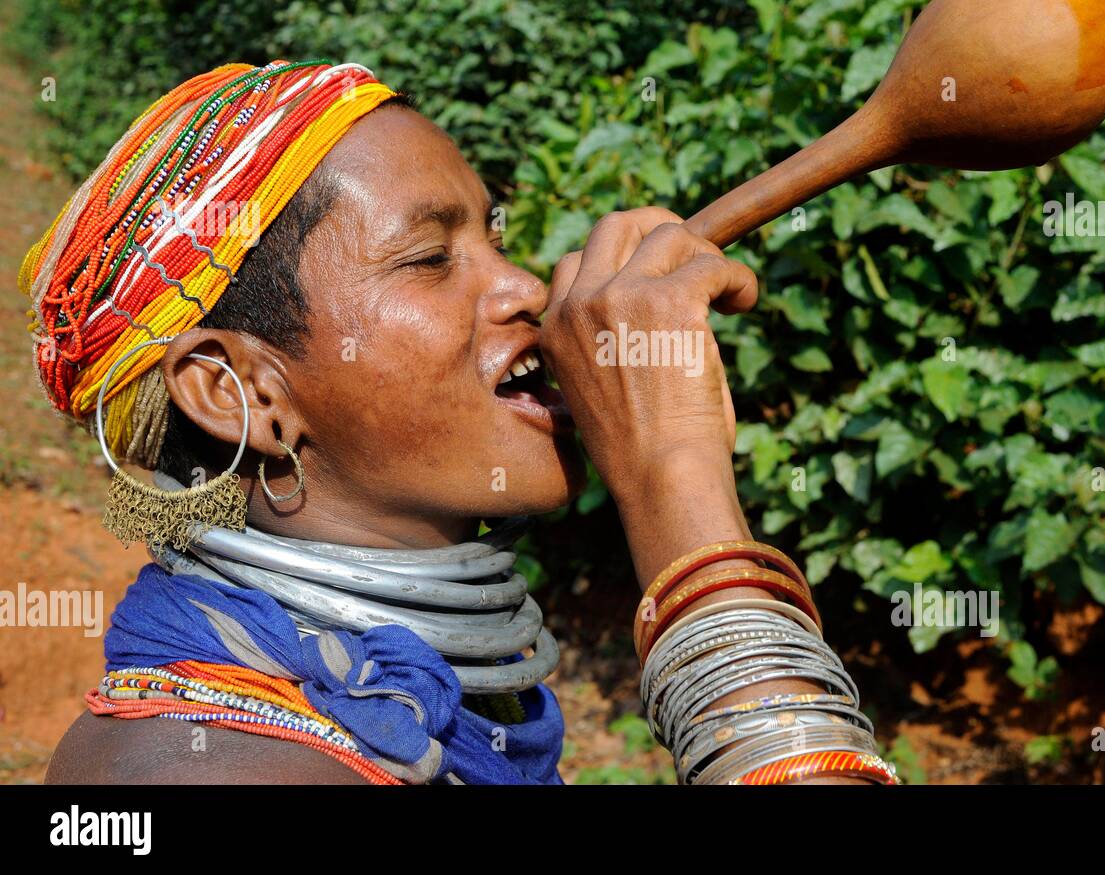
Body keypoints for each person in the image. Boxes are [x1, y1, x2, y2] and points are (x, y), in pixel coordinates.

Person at [26, 60, 896, 785]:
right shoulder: (190, 771)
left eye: (491, 236)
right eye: (432, 258)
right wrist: (675, 473)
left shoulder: (419, 709)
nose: (524, 288)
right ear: (239, 392)